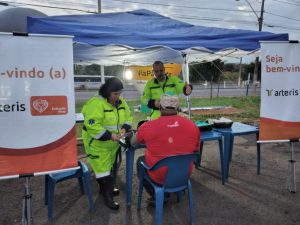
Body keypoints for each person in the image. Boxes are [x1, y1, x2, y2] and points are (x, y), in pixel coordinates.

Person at [131, 94, 200, 205]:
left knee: (140, 161)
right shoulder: (193, 126)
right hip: (184, 174)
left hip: (159, 175)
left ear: (160, 107)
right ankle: (177, 188)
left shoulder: (147, 126)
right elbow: (196, 150)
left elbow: (133, 143)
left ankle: (157, 195)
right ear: (177, 108)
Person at [81, 77, 133, 210]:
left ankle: (106, 188)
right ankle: (107, 196)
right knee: (103, 171)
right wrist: (110, 135)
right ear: (107, 91)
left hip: (112, 144)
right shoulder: (96, 104)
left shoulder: (121, 102)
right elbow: (92, 125)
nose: (118, 96)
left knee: (107, 168)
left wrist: (124, 128)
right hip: (97, 144)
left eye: (120, 93)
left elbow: (128, 116)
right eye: (115, 94)